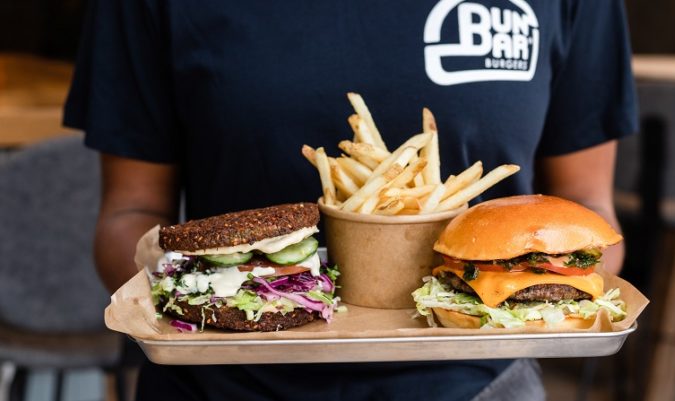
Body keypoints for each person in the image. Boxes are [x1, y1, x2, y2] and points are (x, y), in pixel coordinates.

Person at [64, 0, 637, 400]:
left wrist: (539, 286)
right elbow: (129, 213)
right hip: (214, 387)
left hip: (485, 386)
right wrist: (189, 298)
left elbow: (589, 208)